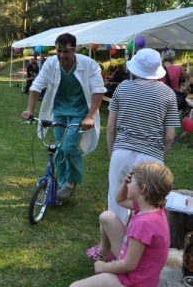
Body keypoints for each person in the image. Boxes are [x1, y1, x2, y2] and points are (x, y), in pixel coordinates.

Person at [21, 33, 106, 200]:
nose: (61, 55)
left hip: (80, 112)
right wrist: (29, 109)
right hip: (59, 110)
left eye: (65, 52)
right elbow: (37, 85)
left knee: (68, 147)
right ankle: (62, 181)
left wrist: (89, 117)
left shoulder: (89, 65)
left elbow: (98, 91)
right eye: (58, 51)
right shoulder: (51, 63)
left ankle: (71, 182)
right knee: (58, 148)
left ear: (74, 50)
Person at [70, 162, 173, 287]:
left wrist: (104, 267)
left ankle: (108, 261)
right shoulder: (150, 207)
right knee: (107, 217)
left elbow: (129, 265)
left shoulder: (144, 223)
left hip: (134, 282)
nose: (128, 182)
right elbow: (121, 200)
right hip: (138, 272)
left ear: (143, 188)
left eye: (131, 181)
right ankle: (106, 252)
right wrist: (125, 184)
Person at [107, 48, 180, 223]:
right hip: (152, 157)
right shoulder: (169, 94)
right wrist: (159, 152)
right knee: (146, 206)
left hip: (122, 152)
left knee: (117, 200)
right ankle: (138, 245)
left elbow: (110, 127)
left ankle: (112, 245)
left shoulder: (123, 88)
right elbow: (170, 135)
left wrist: (112, 153)